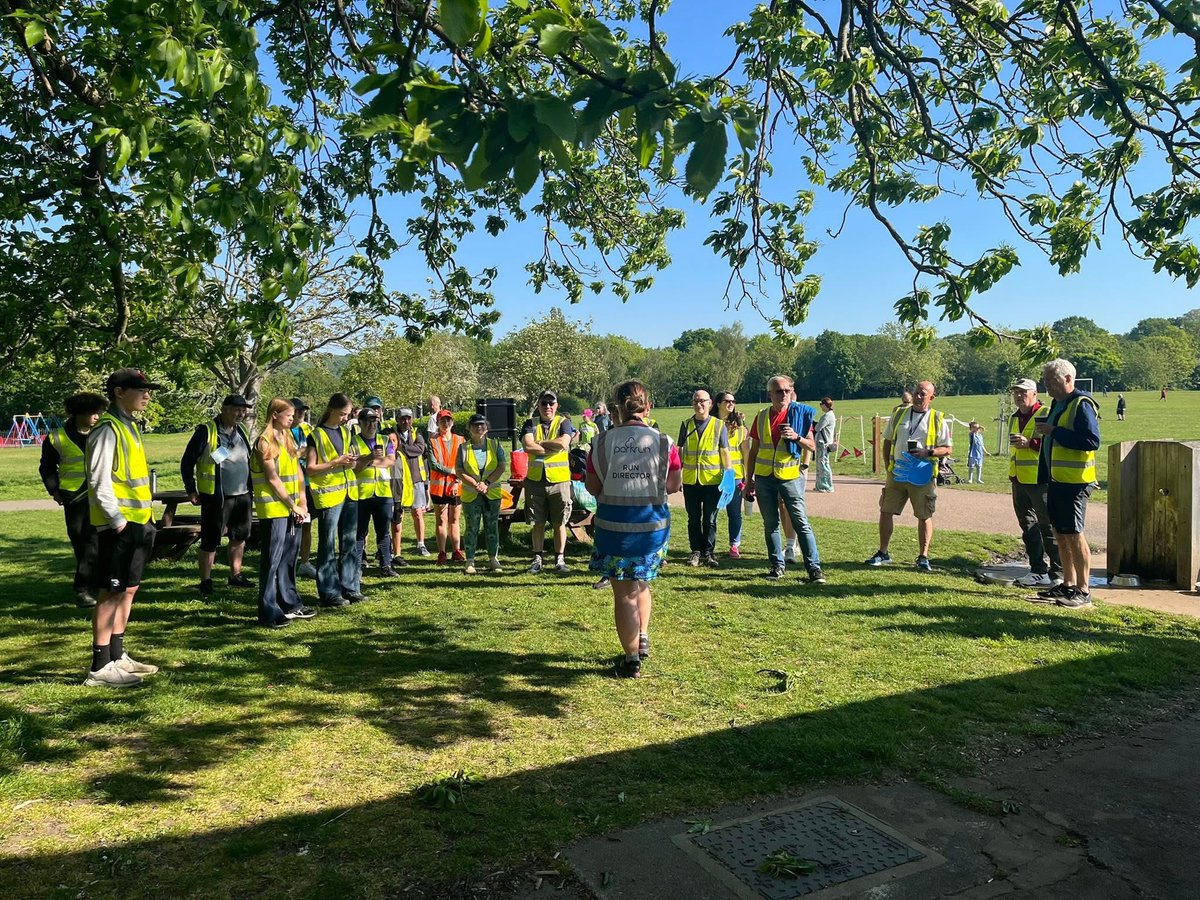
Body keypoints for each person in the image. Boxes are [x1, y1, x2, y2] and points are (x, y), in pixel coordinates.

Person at [586, 380, 683, 678]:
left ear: (616, 407)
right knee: (642, 584)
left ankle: (631, 659)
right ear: (648, 406)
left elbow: (592, 487)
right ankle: (642, 637)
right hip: (652, 531)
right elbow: (674, 486)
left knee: (624, 593)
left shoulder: (601, 443)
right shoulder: (665, 442)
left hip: (614, 532)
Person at [82, 368, 162, 688]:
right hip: (119, 526)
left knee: (128, 589)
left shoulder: (130, 426)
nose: (147, 394)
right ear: (118, 392)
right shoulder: (107, 428)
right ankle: (100, 666)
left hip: (139, 522)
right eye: (139, 389)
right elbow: (98, 480)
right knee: (111, 592)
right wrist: (117, 521)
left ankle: (117, 655)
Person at [744, 375, 825, 582]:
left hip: (790, 477)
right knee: (770, 524)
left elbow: (812, 446)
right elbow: (753, 451)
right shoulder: (761, 416)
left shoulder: (799, 415)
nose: (784, 395)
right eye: (779, 391)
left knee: (801, 523)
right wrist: (749, 479)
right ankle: (776, 565)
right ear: (769, 394)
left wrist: (796, 437)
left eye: (787, 391)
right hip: (764, 478)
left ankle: (814, 568)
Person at [1034, 359, 1101, 609]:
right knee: (1060, 533)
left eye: (1051, 380)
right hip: (1057, 480)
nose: (1047, 385)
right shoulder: (1057, 403)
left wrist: (1054, 431)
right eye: (1045, 381)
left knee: (1074, 534)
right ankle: (1068, 583)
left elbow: (1092, 441)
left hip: (1076, 483)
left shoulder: (1082, 404)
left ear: (1068, 379)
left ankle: (1084, 590)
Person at [865, 380, 951, 572]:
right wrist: (888, 465)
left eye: (923, 394)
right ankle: (883, 552)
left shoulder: (938, 419)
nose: (919, 397)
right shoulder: (900, 414)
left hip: (922, 474)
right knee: (886, 511)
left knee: (924, 515)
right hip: (898, 473)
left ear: (932, 397)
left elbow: (947, 449)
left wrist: (927, 452)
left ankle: (923, 556)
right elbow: (888, 440)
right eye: (916, 393)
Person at [181, 394, 255, 597]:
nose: (240, 413)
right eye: (235, 409)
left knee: (239, 537)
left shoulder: (242, 431)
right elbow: (187, 461)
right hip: (217, 496)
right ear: (224, 409)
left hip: (242, 495)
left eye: (243, 410)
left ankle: (236, 575)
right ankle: (205, 580)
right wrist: (191, 489)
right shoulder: (207, 431)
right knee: (211, 539)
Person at [250, 398, 316, 628]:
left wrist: (303, 502)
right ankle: (268, 610)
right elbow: (272, 479)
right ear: (275, 414)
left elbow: (297, 471)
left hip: (293, 508)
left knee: (289, 557)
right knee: (272, 560)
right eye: (288, 414)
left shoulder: (287, 437)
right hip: (274, 509)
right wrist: (292, 504)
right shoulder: (264, 442)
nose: (293, 417)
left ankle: (289, 602)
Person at [41, 391, 107, 607]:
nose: (97, 416)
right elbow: (47, 467)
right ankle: (92, 584)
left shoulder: (103, 432)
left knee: (94, 542)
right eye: (93, 413)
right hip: (74, 498)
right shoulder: (56, 437)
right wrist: (55, 491)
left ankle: (83, 589)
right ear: (79, 414)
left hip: (101, 495)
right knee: (81, 542)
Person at [306, 393, 369, 607]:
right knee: (327, 545)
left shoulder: (346, 431)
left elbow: (353, 463)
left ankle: (351, 587)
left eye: (348, 414)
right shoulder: (317, 434)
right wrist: (335, 462)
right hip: (329, 496)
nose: (345, 418)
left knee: (350, 543)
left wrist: (354, 462)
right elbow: (311, 469)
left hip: (350, 493)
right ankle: (329, 592)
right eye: (343, 414)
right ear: (332, 410)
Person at [1006, 378, 1063, 589]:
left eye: (1023, 392)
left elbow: (1054, 443)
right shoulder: (1015, 417)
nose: (1019, 397)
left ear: (1035, 393)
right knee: (1028, 526)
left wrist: (1030, 443)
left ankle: (1058, 572)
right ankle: (1037, 569)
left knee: (1047, 526)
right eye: (1016, 393)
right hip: (1019, 478)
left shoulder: (1045, 413)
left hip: (1040, 480)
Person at [522, 390, 576, 573]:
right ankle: (537, 558)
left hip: (559, 481)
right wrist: (550, 446)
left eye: (551, 403)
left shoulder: (564, 422)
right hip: (535, 481)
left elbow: (563, 443)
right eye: (544, 403)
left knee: (559, 523)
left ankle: (559, 560)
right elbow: (527, 445)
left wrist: (541, 443)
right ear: (538, 405)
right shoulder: (530, 423)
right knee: (537, 522)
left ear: (557, 406)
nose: (548, 407)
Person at [678, 389, 731, 568]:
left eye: (703, 401)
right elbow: (679, 452)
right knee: (693, 519)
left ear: (710, 403)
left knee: (710, 519)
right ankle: (695, 551)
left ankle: (708, 552)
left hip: (712, 481)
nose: (699, 404)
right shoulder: (685, 424)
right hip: (691, 480)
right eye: (695, 401)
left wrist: (729, 474)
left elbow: (724, 451)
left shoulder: (718, 425)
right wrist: (677, 475)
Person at [457, 413, 508, 574]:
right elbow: (459, 470)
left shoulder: (495, 444)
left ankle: (493, 558)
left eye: (482, 424)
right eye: (475, 425)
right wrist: (475, 484)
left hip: (491, 493)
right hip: (471, 495)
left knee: (492, 527)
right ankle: (470, 561)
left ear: (487, 428)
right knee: (471, 527)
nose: (479, 427)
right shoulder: (463, 447)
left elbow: (501, 466)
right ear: (469, 428)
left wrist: (486, 483)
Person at [352, 407, 398, 577]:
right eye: (368, 421)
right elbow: (354, 467)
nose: (371, 425)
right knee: (360, 532)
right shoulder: (354, 442)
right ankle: (356, 566)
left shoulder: (385, 440)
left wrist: (368, 462)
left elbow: (391, 461)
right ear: (360, 423)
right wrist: (371, 458)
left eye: (374, 421)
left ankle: (386, 565)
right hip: (362, 493)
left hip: (383, 493)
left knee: (383, 531)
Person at [390, 408, 430, 563]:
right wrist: (408, 450)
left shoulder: (416, 434)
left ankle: (421, 543)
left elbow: (420, 449)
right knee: (397, 515)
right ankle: (394, 548)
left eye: (408, 418)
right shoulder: (392, 435)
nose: (406, 421)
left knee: (418, 512)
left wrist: (402, 449)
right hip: (398, 479)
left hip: (415, 478)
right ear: (398, 420)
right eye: (402, 419)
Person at [428, 409, 465, 564]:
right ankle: (442, 552)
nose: (446, 423)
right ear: (438, 423)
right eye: (443, 421)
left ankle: (456, 551)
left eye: (448, 420)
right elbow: (434, 464)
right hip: (439, 488)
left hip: (456, 486)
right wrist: (452, 471)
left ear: (452, 422)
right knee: (441, 520)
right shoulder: (433, 441)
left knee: (455, 519)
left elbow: (465, 463)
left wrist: (458, 478)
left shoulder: (460, 440)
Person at [715, 392, 747, 557]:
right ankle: (708, 546)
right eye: (727, 401)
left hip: (734, 476)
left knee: (734, 512)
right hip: (712, 474)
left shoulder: (740, 427)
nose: (731, 403)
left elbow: (746, 453)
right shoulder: (711, 424)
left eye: (733, 401)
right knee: (710, 513)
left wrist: (748, 476)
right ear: (718, 403)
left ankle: (735, 544)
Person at [290, 398, 318, 578]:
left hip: (307, 483)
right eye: (298, 410)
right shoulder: (282, 432)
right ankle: (289, 563)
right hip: (291, 484)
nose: (301, 413)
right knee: (292, 527)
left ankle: (305, 561)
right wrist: (304, 451)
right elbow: (287, 456)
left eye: (303, 410)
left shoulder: (306, 429)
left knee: (307, 523)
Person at [813, 397, 836, 493]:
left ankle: (826, 486)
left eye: (821, 404)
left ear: (824, 405)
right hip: (826, 442)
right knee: (821, 464)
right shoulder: (830, 415)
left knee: (823, 464)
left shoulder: (827, 416)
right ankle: (820, 485)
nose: (820, 406)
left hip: (823, 443)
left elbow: (817, 428)